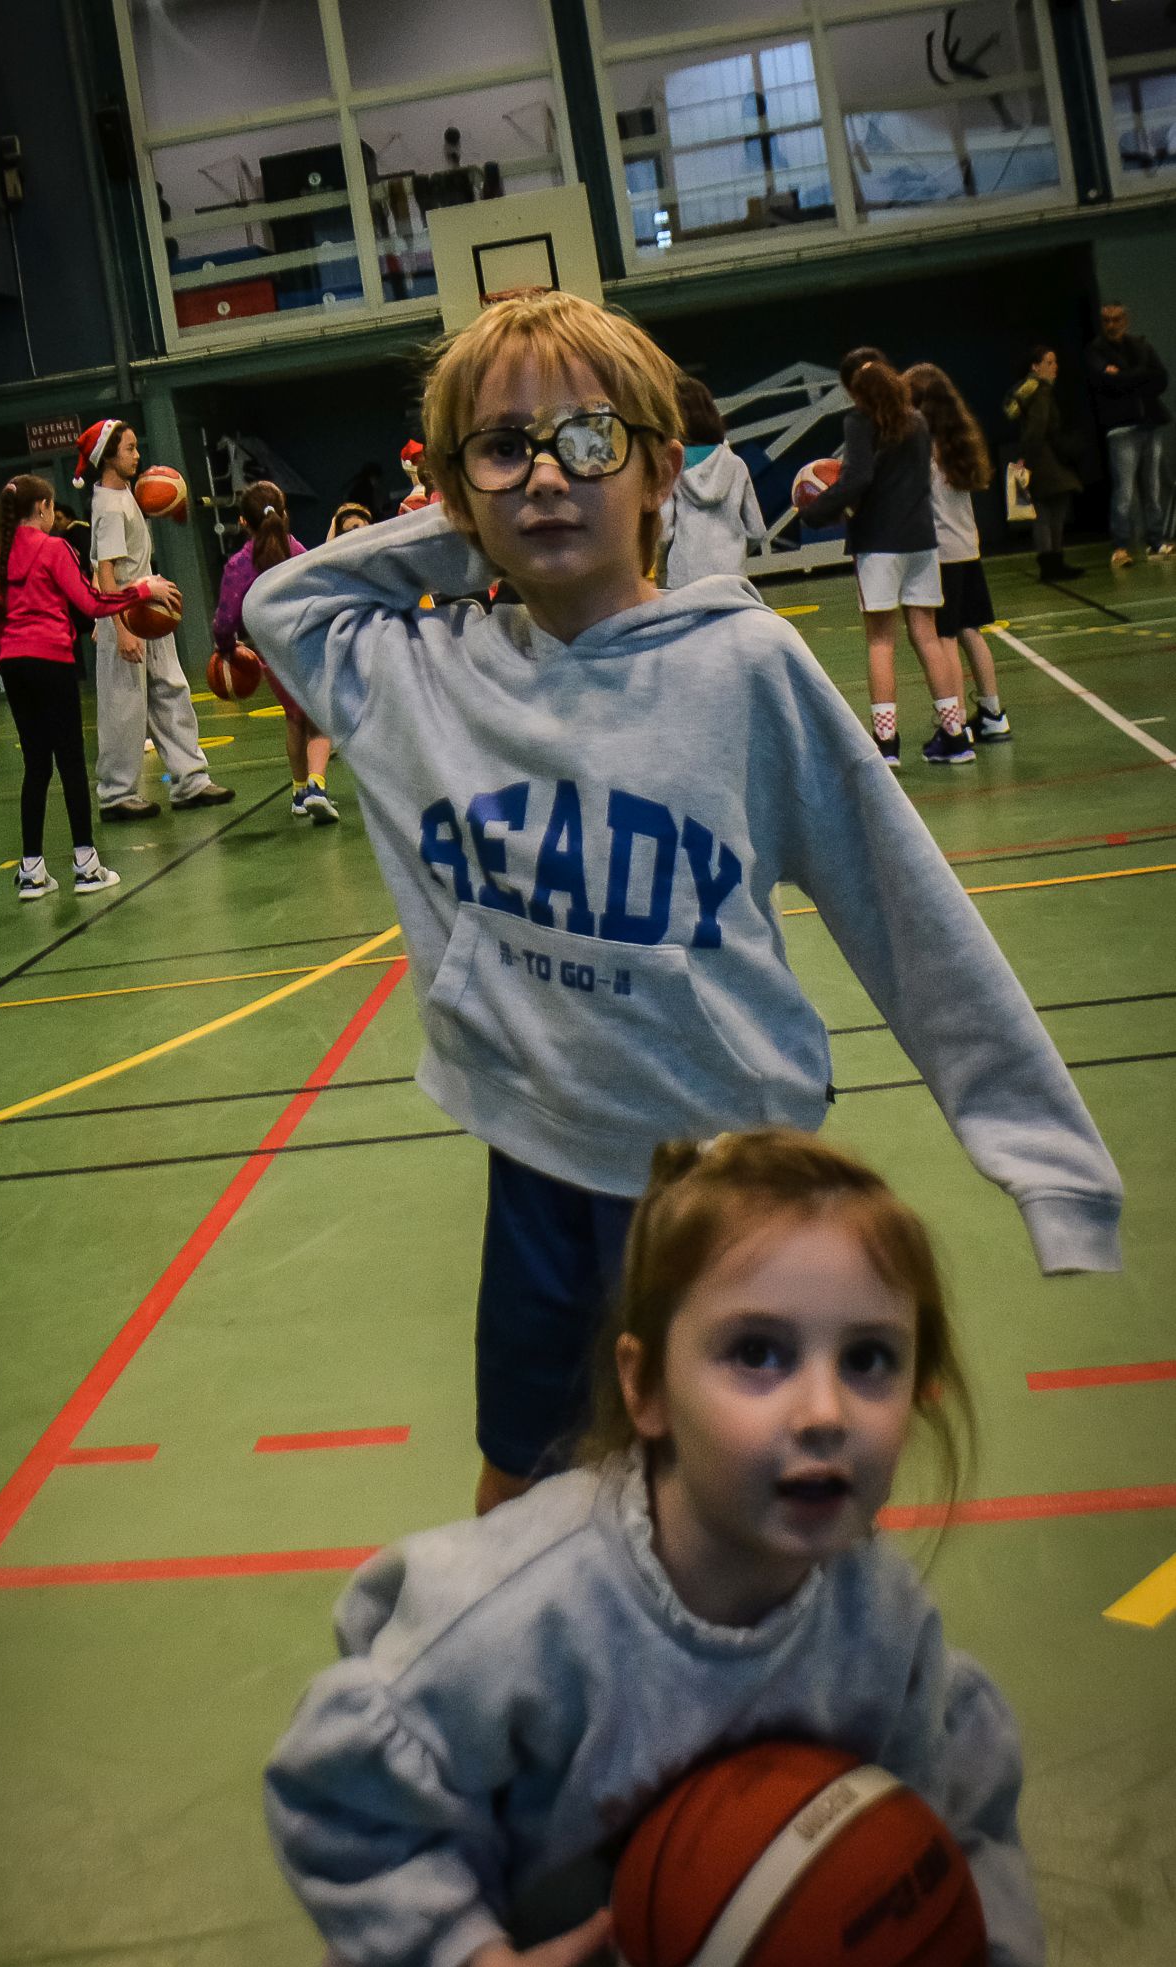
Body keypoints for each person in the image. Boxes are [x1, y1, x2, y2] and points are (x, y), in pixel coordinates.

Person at [244, 289, 1122, 1518]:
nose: (547, 474)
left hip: (726, 1171)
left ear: (660, 469)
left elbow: (905, 912)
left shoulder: (744, 669)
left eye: (587, 440)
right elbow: (277, 607)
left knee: (740, 1492)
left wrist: (1048, 1164)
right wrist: (466, 528)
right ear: (451, 488)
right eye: (504, 448)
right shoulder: (418, 681)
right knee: (522, 1480)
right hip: (538, 1160)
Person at [266, 1127, 1043, 1967]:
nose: (825, 1412)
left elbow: (948, 1814)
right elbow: (345, 1800)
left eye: (869, 1359)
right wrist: (471, 1962)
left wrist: (960, 1959)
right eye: (758, 1353)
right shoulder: (520, 1613)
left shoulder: (883, 1622)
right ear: (645, 1388)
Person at [0, 474, 180, 901]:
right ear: (43, 508)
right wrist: (141, 589)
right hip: (51, 661)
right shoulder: (56, 549)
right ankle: (86, 865)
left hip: (14, 665)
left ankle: (32, 871)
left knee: (36, 767)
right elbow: (91, 603)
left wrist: (9, 662)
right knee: (70, 762)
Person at [797, 347, 973, 768]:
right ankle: (955, 736)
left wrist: (816, 512)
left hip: (879, 543)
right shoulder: (918, 421)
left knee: (881, 641)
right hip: (921, 542)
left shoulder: (860, 421)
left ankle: (886, 743)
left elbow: (858, 478)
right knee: (927, 636)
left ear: (855, 391)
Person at [75, 418, 235, 822]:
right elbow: (106, 573)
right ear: (108, 456)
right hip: (128, 616)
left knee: (171, 692)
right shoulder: (110, 507)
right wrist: (120, 629)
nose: (137, 455)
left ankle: (190, 780)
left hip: (147, 610)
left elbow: (106, 567)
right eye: (129, 448)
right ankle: (116, 794)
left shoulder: (123, 494)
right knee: (124, 706)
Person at [212, 481, 339, 825]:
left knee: (295, 718)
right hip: (309, 645)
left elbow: (225, 621)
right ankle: (316, 784)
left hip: (271, 653)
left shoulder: (239, 565)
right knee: (319, 717)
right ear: (284, 515)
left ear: (243, 522)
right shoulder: (297, 552)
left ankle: (299, 792)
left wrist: (228, 650)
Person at [904, 364, 1011, 746]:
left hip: (940, 555)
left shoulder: (923, 449)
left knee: (943, 636)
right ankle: (993, 714)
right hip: (967, 548)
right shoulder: (959, 441)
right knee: (970, 630)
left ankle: (956, 724)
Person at [1084, 301, 1174, 567]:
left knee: (1153, 488)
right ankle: (1120, 547)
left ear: (1126, 320)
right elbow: (1108, 383)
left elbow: (1161, 378)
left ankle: (1156, 541)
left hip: (1150, 423)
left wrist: (1125, 376)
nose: (1111, 325)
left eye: (1116, 319)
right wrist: (1140, 376)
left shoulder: (1141, 346)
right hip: (1121, 428)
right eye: (1106, 320)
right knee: (1124, 492)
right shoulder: (1095, 351)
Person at [658, 372, 766, 587]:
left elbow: (663, 532)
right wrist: (734, 555)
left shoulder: (672, 467)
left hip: (685, 580)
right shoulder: (736, 465)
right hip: (733, 578)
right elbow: (757, 530)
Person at [1001, 348, 1085, 585]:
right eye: (1049, 362)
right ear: (1035, 366)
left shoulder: (1026, 390)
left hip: (1039, 457)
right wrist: (1027, 458)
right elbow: (1037, 428)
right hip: (1045, 458)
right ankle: (1052, 564)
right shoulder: (1041, 391)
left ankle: (1052, 563)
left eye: (1055, 361)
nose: (1054, 366)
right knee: (1050, 513)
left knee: (1046, 512)